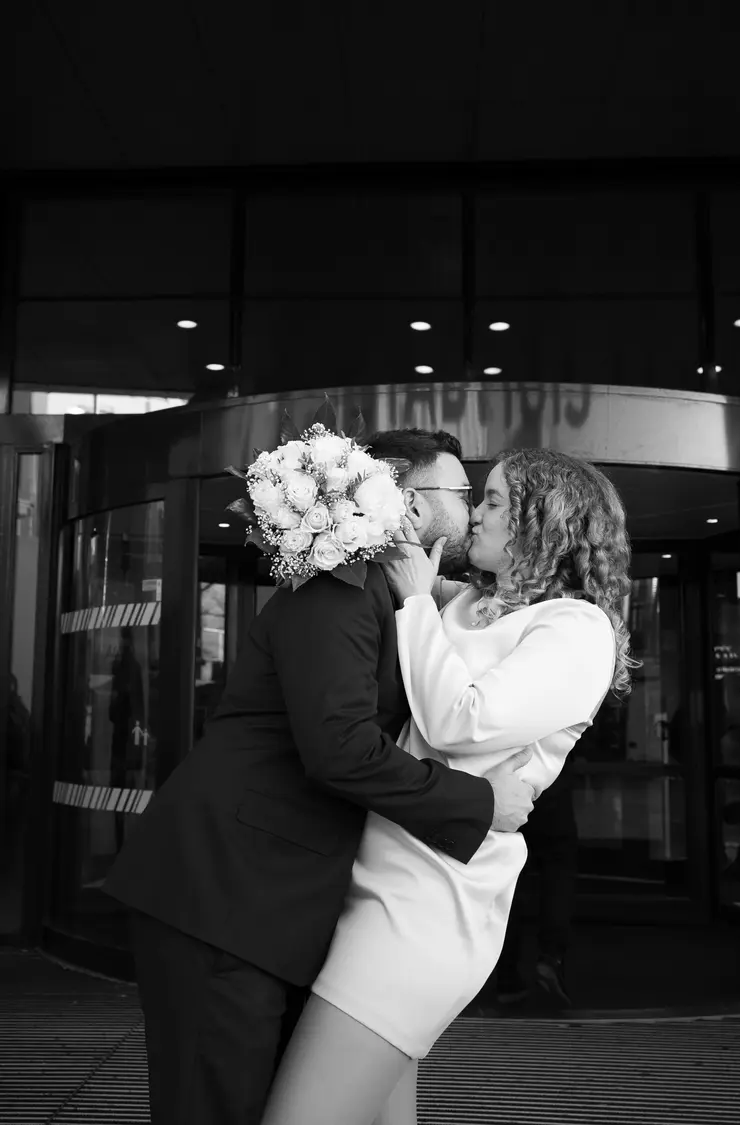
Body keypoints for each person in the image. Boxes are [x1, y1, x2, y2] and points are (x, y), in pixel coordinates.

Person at [102, 427, 536, 1125]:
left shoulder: (391, 598)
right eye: (464, 492)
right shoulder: (339, 589)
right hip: (226, 894)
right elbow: (339, 748)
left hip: (265, 903)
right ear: (413, 507)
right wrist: (482, 803)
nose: (475, 509)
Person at [260, 448, 637, 1125]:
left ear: (542, 521)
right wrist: (340, 499)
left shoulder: (577, 629)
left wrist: (413, 598)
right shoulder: (470, 601)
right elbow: (394, 560)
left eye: (492, 500)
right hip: (376, 878)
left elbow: (460, 719)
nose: (477, 516)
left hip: (428, 905)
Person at [494, 760, 578, 1008]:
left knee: (509, 876)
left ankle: (507, 977)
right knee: (559, 870)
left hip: (507, 783)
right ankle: (551, 958)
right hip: (551, 783)